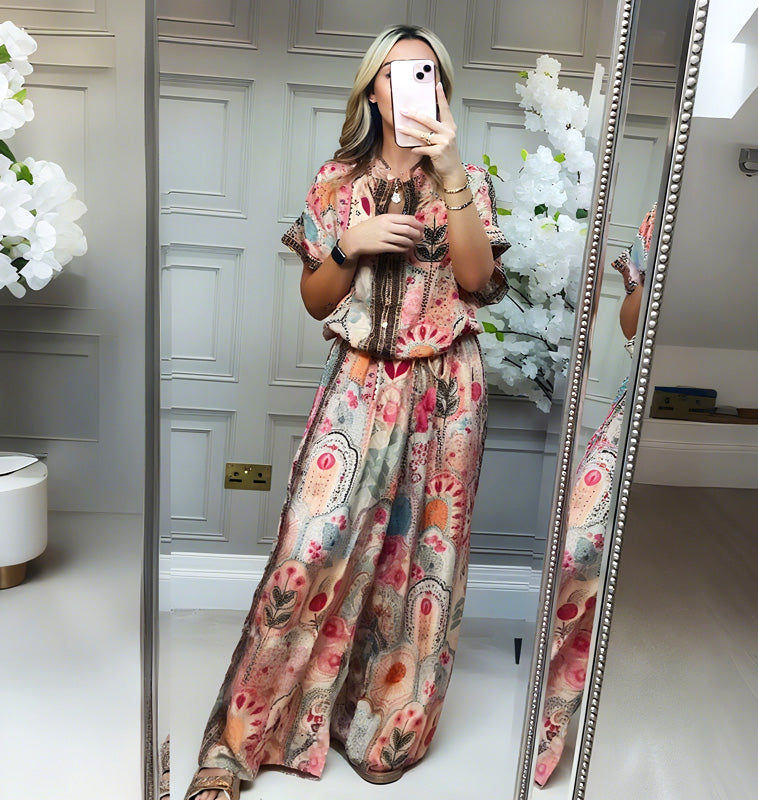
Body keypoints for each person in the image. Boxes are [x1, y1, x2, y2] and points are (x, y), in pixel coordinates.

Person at [184, 24, 510, 800]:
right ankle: (235, 749)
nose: (412, 86)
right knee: (311, 546)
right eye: (395, 74)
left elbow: (476, 280)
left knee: (419, 560)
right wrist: (349, 245)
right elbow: (314, 300)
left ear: (443, 89)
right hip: (360, 382)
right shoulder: (337, 182)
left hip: (447, 392)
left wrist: (451, 171)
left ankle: (380, 722)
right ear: (372, 92)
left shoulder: (467, 177)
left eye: (427, 73)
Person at [533, 206, 655, 787]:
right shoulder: (660, 218)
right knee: (576, 554)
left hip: (658, 417)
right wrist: (640, 282)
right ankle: (548, 724)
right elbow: (632, 328)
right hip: (631, 407)